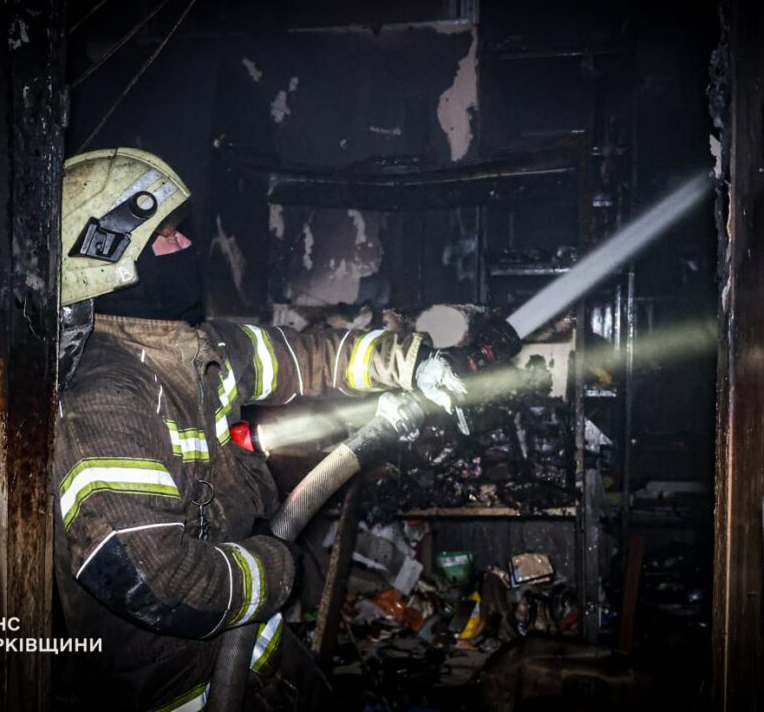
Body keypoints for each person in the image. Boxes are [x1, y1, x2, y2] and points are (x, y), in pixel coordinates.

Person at [51, 148, 468, 710]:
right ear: (109, 261)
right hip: (182, 689)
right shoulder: (105, 398)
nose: (186, 247)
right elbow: (154, 580)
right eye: (166, 238)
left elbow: (310, 355)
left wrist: (412, 362)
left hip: (252, 647)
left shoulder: (198, 346)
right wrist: (275, 567)